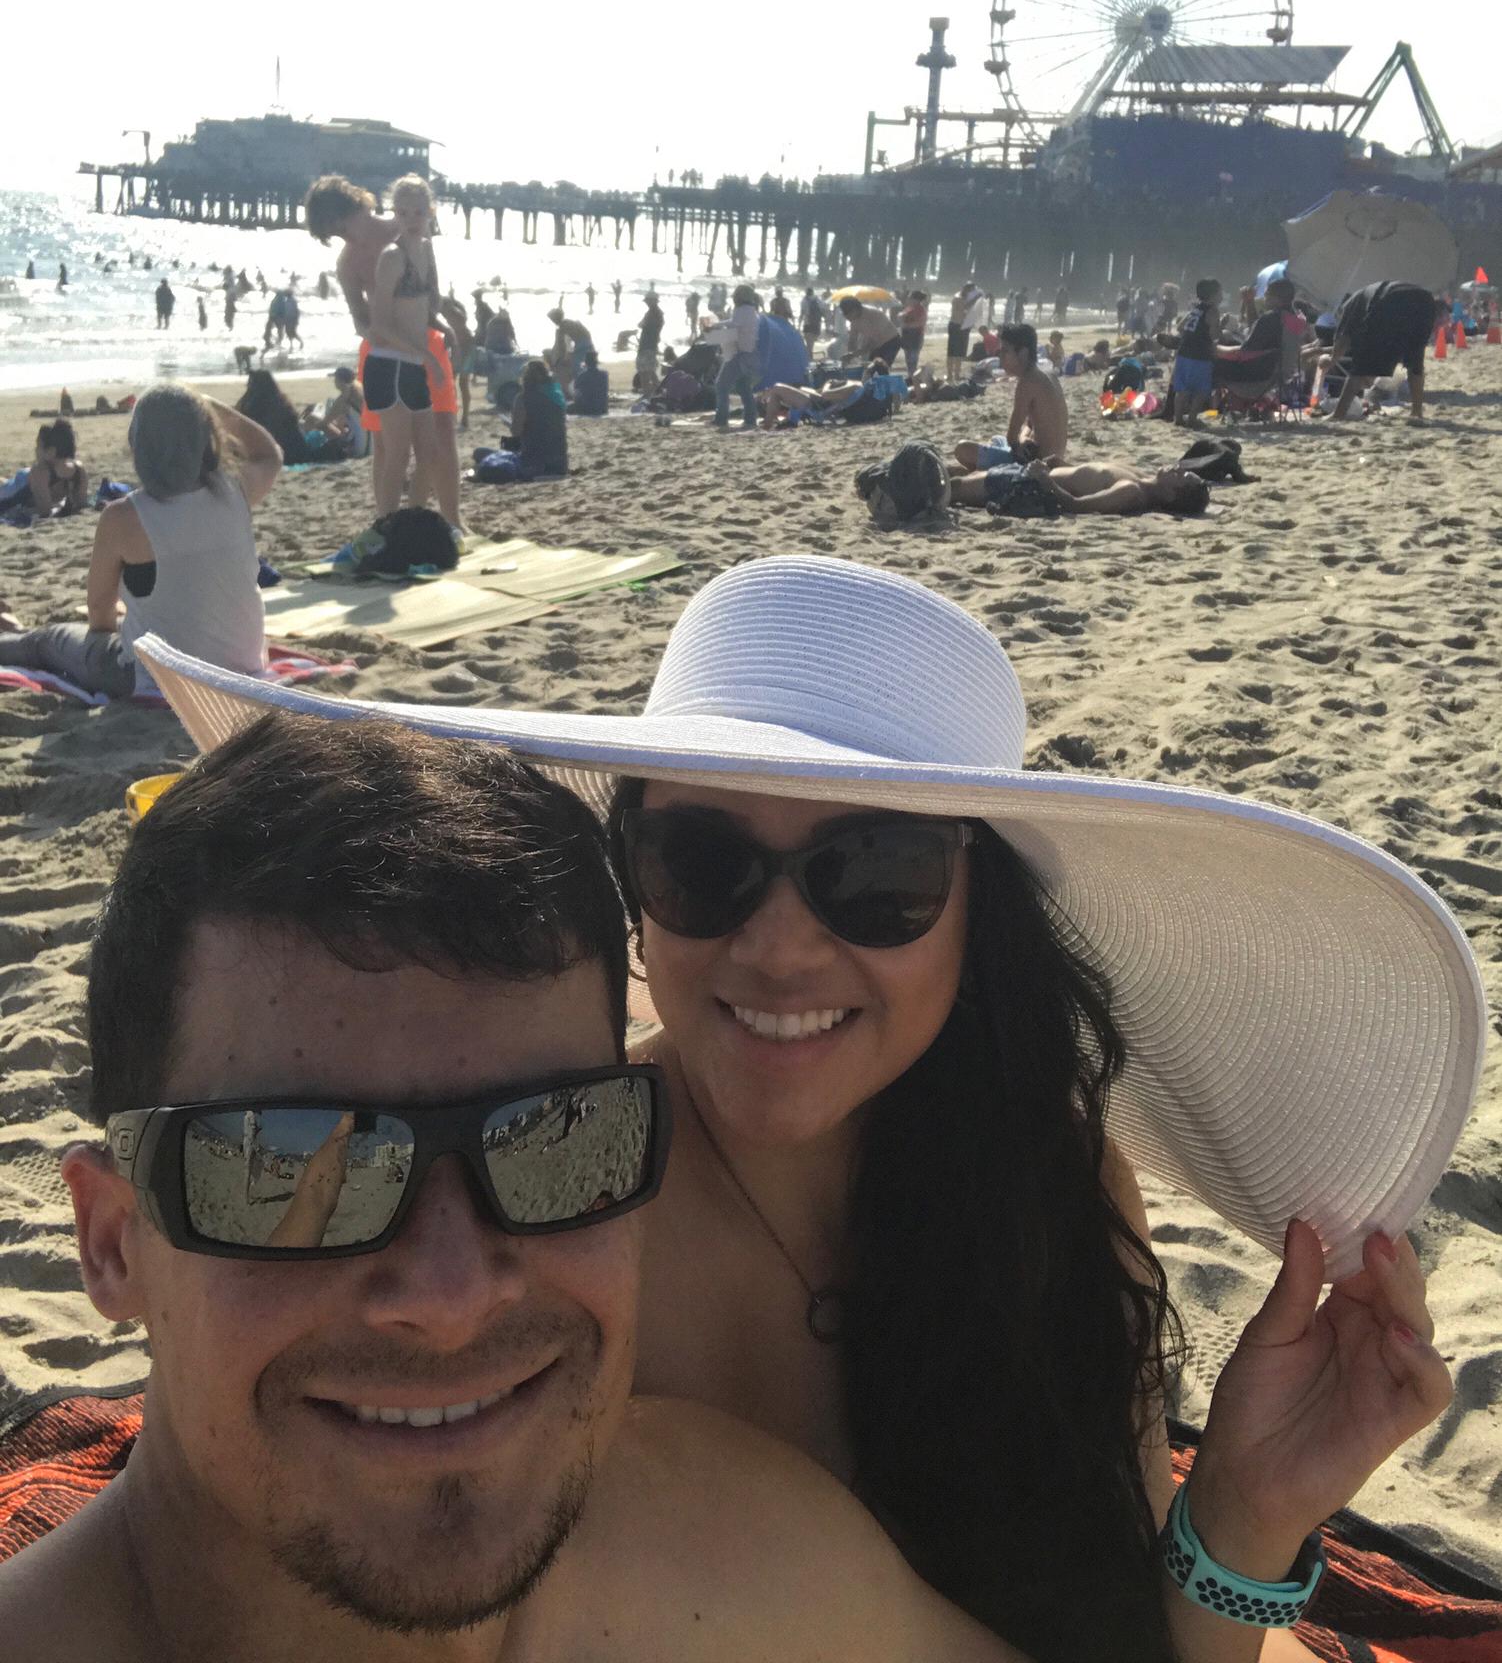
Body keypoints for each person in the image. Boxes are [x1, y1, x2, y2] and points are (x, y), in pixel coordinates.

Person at [146, 557, 1476, 1663]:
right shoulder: (537, 1219)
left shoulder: (1043, 1176)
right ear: (631, 884)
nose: (778, 951)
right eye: (705, 861)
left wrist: (1243, 1514)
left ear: (974, 914)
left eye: (872, 873)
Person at [0, 709, 1033, 1663]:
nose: (451, 1297)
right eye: (292, 1165)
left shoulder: (742, 1545)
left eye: (551, 1137)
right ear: (112, 1240)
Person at [0, 388, 278, 699]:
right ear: (204, 438)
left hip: (152, 677)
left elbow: (99, 612)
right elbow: (269, 453)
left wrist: (103, 642)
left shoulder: (124, 516)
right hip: (242, 665)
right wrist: (209, 406)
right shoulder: (234, 492)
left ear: (138, 446)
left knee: (48, 641)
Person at [364, 176, 458, 528]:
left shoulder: (427, 250)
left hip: (415, 362)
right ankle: (387, 527)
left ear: (430, 212)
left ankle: (413, 521)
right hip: (388, 366)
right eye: (403, 212)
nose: (412, 218)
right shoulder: (392, 257)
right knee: (397, 455)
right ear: (394, 214)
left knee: (430, 454)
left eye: (418, 211)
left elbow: (425, 308)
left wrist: (444, 327)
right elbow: (380, 327)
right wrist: (429, 356)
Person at [952, 324, 1068, 470]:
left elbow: (1011, 437)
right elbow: (1030, 424)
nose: (1000, 356)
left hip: (1037, 463)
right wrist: (1024, 438)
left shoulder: (1027, 382)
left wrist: (1018, 441)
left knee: (962, 449)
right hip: (1050, 455)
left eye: (1005, 351)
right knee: (995, 439)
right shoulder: (1047, 375)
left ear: (1023, 353)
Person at [1324, 283, 1443, 425]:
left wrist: (1332, 360)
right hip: (1424, 301)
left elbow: (1343, 339)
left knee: (1362, 365)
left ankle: (1339, 414)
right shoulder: (1364, 295)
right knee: (1415, 360)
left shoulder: (1350, 306)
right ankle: (1416, 413)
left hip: (1388, 301)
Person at [951, 456, 1210, 518]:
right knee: (959, 473)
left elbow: (1078, 506)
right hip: (1038, 471)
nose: (1177, 468)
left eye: (1181, 476)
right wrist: (1060, 464)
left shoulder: (1132, 492)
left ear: (1170, 493)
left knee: (955, 487)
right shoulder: (1142, 478)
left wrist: (1046, 480)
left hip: (1027, 483)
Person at [762, 357, 902, 430]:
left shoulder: (856, 385)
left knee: (777, 388)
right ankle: (786, 420)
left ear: (868, 374)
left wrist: (829, 383)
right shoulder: (873, 392)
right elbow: (897, 403)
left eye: (865, 372)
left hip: (817, 406)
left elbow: (825, 395)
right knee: (802, 388)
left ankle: (767, 426)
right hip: (824, 406)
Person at [0, 420, 88, 522]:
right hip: (18, 484)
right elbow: (45, 511)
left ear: (51, 452)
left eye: (38, 446)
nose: (35, 450)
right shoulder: (76, 471)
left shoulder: (78, 472)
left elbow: (80, 505)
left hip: (26, 477)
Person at [1170, 279, 1222, 427]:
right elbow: (1214, 335)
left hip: (1184, 352)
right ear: (1213, 295)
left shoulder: (1195, 308)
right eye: (1220, 292)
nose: (1222, 296)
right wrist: (1221, 329)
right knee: (1201, 389)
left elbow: (1180, 327)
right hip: (1200, 354)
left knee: (1182, 389)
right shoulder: (1213, 310)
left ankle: (1178, 419)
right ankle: (1192, 418)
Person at [238, 367, 311, 466]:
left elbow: (245, 422)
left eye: (250, 383)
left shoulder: (258, 404)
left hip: (282, 452)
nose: (247, 385)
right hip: (298, 450)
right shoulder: (280, 399)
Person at [509, 359, 569, 476]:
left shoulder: (523, 398)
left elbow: (516, 432)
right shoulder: (557, 395)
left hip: (533, 462)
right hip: (559, 463)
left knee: (481, 452)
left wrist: (511, 423)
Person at [714, 286, 761, 430]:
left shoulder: (742, 310)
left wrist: (715, 325)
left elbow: (734, 324)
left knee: (721, 385)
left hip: (739, 354)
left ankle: (721, 419)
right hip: (749, 353)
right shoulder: (751, 311)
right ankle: (750, 419)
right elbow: (736, 324)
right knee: (743, 387)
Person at [838, 297, 902, 367]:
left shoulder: (872, 314)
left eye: (848, 314)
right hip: (875, 344)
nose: (847, 318)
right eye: (845, 315)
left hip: (891, 341)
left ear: (855, 309)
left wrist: (855, 354)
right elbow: (852, 340)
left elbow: (874, 341)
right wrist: (849, 355)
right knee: (870, 368)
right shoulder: (854, 320)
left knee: (880, 366)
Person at [571, 346, 610, 417]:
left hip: (587, 409)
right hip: (602, 408)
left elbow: (577, 395)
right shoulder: (604, 375)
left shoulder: (581, 376)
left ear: (586, 363)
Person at [638, 294, 665, 392]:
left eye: (648, 301)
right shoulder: (656, 313)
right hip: (651, 344)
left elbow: (643, 325)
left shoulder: (653, 313)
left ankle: (648, 394)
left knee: (644, 371)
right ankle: (657, 391)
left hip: (647, 344)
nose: (647, 303)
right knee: (650, 370)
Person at [898, 289, 929, 377]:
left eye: (910, 298)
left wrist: (905, 324)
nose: (908, 299)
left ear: (915, 299)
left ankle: (913, 376)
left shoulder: (920, 309)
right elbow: (900, 316)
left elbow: (920, 323)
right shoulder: (909, 308)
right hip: (907, 336)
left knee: (912, 359)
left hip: (915, 336)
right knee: (908, 359)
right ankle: (910, 376)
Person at [799, 285, 825, 357]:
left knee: (809, 345)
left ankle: (809, 360)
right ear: (812, 292)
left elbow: (802, 313)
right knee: (811, 345)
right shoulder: (818, 300)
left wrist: (798, 326)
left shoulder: (804, 301)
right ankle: (810, 358)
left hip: (808, 324)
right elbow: (823, 311)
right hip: (816, 325)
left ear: (806, 292)